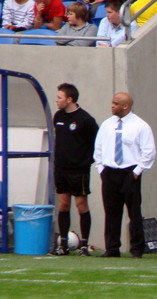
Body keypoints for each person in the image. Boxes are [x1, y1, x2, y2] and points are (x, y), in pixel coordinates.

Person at [93, 92, 156, 258]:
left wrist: (136, 172)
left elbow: (148, 152)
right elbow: (98, 148)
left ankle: (137, 248)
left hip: (130, 172)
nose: (112, 106)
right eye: (112, 102)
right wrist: (101, 169)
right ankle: (112, 248)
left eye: (116, 103)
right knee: (111, 211)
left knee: (133, 212)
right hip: (110, 172)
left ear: (125, 106)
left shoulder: (140, 126)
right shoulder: (107, 125)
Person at [51, 83, 99, 256]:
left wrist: (87, 161)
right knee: (63, 205)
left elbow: (97, 144)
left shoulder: (86, 120)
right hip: (61, 169)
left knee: (81, 205)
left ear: (69, 99)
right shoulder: (58, 116)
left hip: (79, 170)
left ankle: (84, 245)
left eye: (59, 97)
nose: (56, 100)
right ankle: (63, 244)